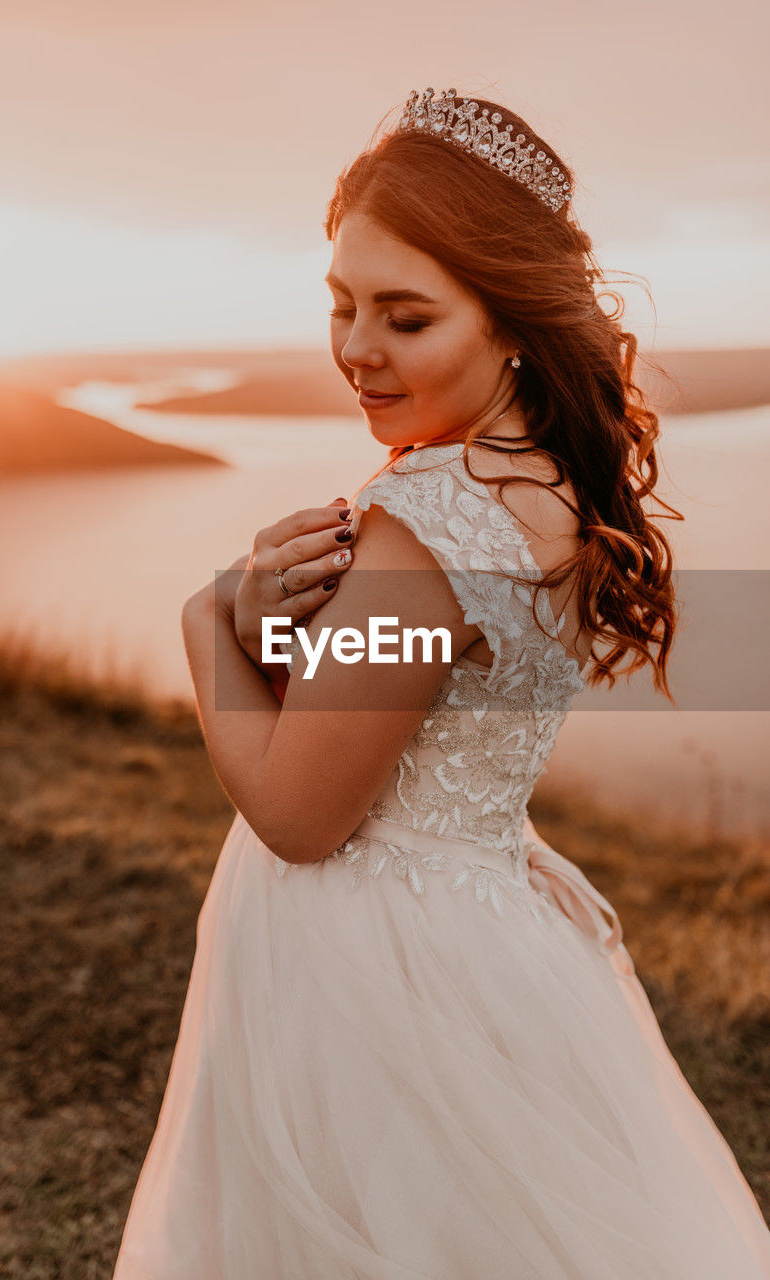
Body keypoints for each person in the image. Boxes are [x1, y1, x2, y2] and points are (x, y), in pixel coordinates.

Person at [112, 89, 770, 1278]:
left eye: (405, 316)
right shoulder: (543, 481)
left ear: (509, 318)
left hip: (369, 965)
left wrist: (207, 624)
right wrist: (281, 633)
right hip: (479, 934)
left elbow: (305, 815)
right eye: (341, 303)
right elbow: (398, 708)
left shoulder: (424, 526)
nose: (357, 347)